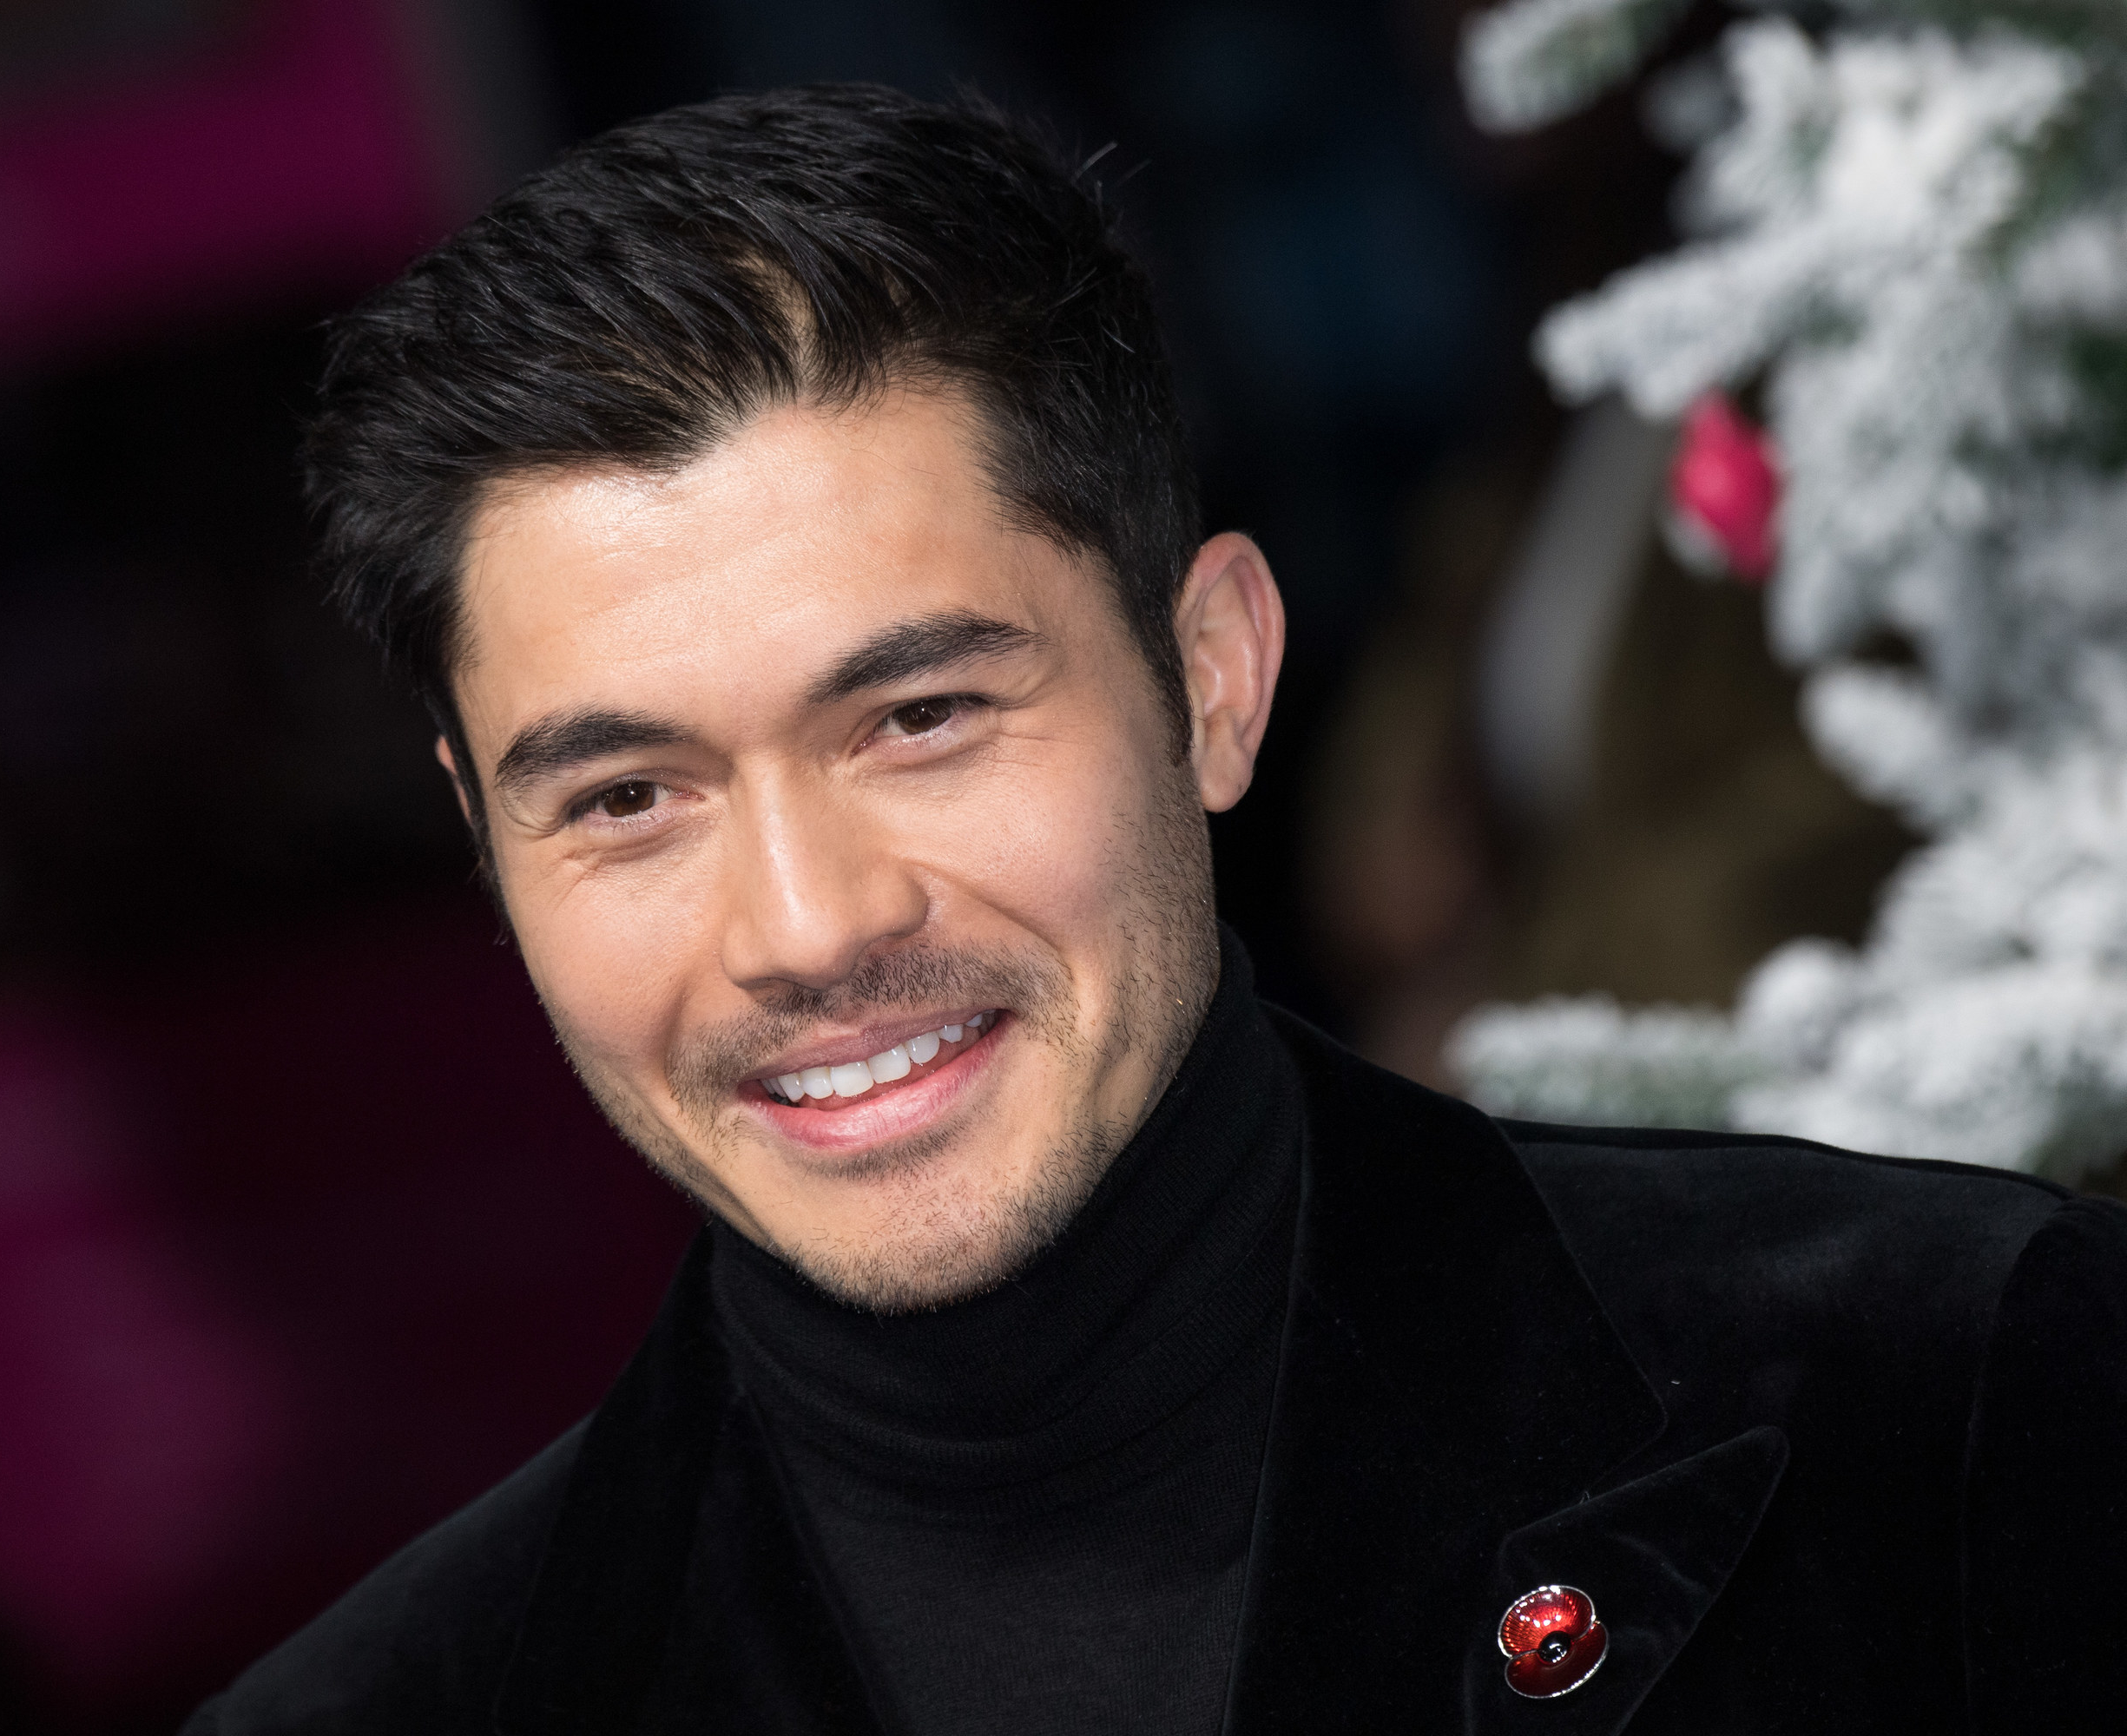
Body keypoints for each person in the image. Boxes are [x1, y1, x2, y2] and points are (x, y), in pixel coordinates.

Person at [184, 84, 2127, 1735]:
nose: (802, 924)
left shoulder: (1954, 1394)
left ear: (1211, 674)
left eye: (920, 717)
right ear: (487, 840)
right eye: (627, 798)